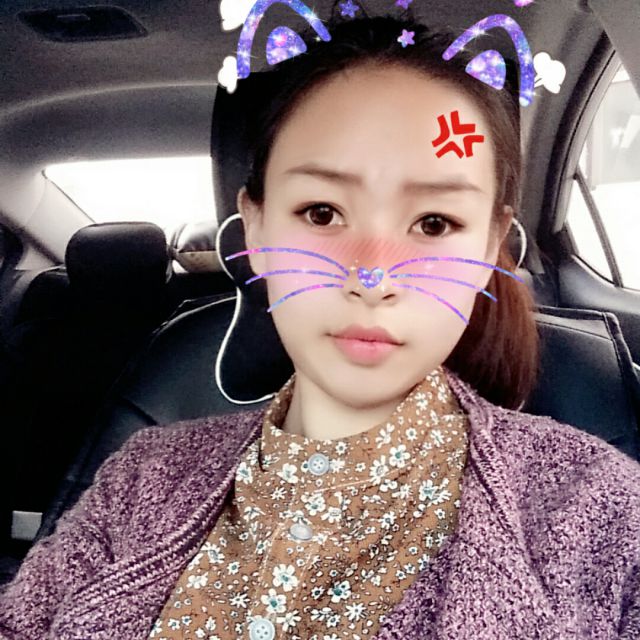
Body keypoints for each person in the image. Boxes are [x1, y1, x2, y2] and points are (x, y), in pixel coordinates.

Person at [1, 8, 640, 640]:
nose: (373, 277)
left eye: (434, 223)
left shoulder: (599, 507)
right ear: (255, 229)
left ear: (489, 247)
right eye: (322, 212)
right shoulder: (141, 479)